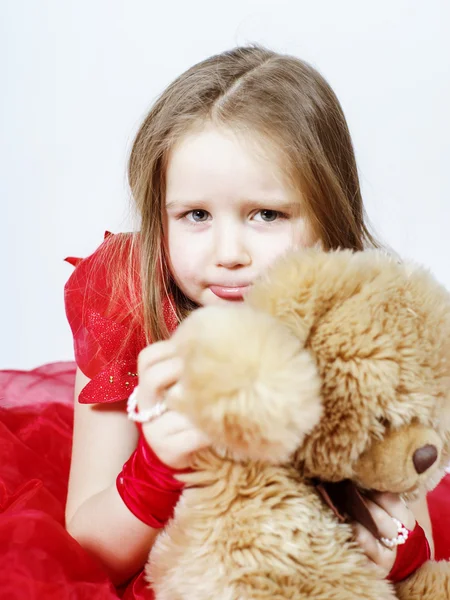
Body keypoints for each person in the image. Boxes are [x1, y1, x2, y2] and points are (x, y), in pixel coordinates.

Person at [61, 46, 447, 597]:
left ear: (329, 216)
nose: (229, 252)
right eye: (196, 215)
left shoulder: (364, 325)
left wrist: (389, 544)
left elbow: (418, 541)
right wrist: (156, 470)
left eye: (266, 215)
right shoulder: (127, 300)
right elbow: (89, 547)